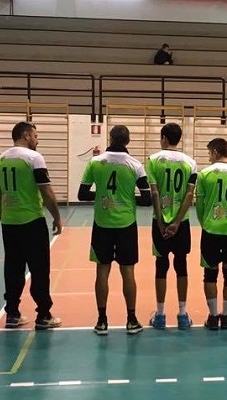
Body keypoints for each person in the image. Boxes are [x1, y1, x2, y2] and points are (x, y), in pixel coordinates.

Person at [77, 125, 151, 335]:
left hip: (102, 224)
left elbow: (82, 194)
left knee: (102, 270)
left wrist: (102, 195)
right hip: (126, 224)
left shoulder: (95, 162)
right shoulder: (135, 165)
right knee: (128, 271)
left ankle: (101, 321)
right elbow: (146, 199)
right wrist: (126, 198)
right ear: (128, 141)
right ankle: (131, 320)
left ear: (110, 138)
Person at [0, 122, 63, 330]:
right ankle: (43, 315)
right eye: (35, 135)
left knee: (13, 269)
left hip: (9, 223)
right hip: (32, 220)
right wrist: (57, 217)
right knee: (39, 269)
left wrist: (4, 217)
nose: (37, 140)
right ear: (26, 135)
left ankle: (12, 314)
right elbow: (46, 191)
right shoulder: (34, 158)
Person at [146, 123, 197, 330]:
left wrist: (161, 222)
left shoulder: (153, 160)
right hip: (181, 223)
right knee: (181, 265)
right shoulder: (190, 163)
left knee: (161, 265)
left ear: (164, 138)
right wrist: (176, 222)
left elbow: (155, 193)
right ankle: (183, 315)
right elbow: (190, 195)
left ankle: (160, 315)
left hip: (160, 221)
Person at [196, 138, 227, 330]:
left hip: (211, 229)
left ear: (216, 152)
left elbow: (199, 205)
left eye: (209, 153)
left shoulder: (205, 174)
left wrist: (205, 223)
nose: (209, 157)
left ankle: (213, 316)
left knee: (210, 274)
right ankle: (226, 315)